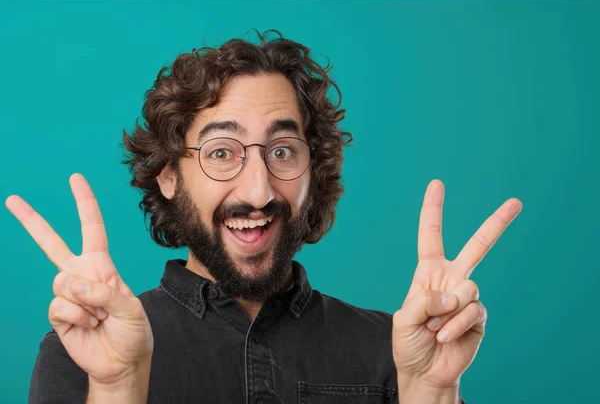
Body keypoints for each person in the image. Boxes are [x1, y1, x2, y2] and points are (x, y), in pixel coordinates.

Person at [6, 30, 522, 404]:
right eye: (222, 152)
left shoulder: (394, 352)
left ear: (311, 172)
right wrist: (118, 386)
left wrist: (431, 393)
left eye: (281, 151)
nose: (257, 190)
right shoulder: (82, 353)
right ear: (169, 175)